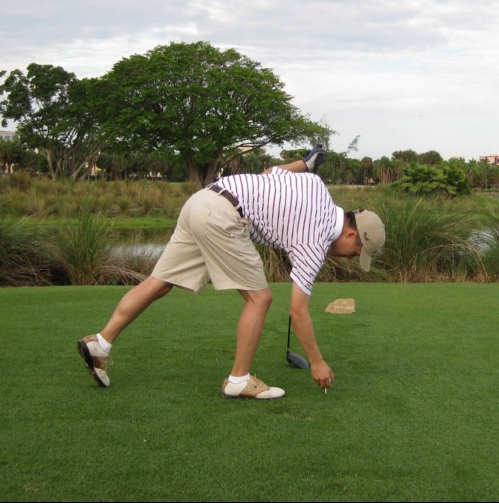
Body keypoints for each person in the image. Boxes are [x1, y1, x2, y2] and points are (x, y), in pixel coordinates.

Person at [77, 147, 385, 400]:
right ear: (351, 236)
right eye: (358, 252)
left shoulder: (316, 184)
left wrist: (303, 164)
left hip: (202, 200)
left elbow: (269, 174)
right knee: (260, 299)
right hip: (225, 216)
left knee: (159, 283)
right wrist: (317, 363)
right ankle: (239, 380)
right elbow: (298, 310)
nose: (351, 258)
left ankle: (100, 343)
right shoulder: (316, 241)